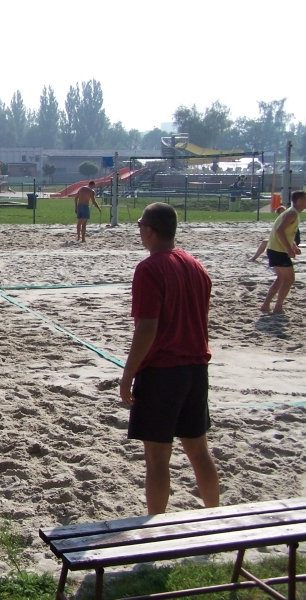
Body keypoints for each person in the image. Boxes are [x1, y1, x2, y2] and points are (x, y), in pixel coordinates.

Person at [119, 202, 219, 515]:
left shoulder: (149, 268)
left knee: (158, 458)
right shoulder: (195, 265)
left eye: (140, 226)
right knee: (199, 451)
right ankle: (217, 518)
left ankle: (157, 528)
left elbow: (147, 328)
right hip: (196, 369)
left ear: (149, 230)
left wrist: (128, 374)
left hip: (162, 372)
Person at [260, 190, 306, 314]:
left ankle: (266, 305)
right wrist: (289, 249)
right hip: (278, 250)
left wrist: (293, 246)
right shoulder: (292, 214)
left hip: (274, 249)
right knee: (289, 279)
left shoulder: (292, 212)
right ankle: (278, 307)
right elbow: (280, 231)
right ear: (299, 201)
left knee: (281, 278)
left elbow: (286, 232)